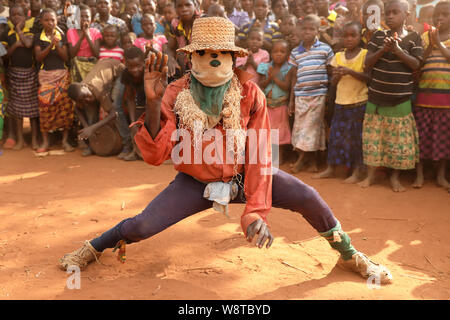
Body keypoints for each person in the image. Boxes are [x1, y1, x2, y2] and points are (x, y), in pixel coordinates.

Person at [58, 17, 392, 286]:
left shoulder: (249, 92)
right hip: (195, 182)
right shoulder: (175, 91)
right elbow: (155, 154)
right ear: (191, 57)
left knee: (308, 196)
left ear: (234, 57)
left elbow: (260, 155)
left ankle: (349, 253)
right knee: (142, 226)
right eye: (204, 52)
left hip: (246, 176)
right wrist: (155, 102)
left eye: (222, 52)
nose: (214, 59)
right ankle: (92, 247)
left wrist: (255, 212)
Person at [360, 0, 422, 192]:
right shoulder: (379, 36)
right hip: (377, 98)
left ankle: (395, 177)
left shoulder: (414, 38)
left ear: (407, 14)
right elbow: (367, 63)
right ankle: (370, 175)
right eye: (388, 13)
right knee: (374, 141)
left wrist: (397, 50)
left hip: (400, 99)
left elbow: (416, 64)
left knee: (397, 142)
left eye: (395, 12)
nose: (390, 16)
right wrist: (383, 50)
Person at [314, 21, 369, 183]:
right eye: (345, 36)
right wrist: (336, 78)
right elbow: (334, 83)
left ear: (361, 37)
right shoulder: (338, 56)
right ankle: (332, 167)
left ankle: (357, 171)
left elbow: (368, 78)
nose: (349, 39)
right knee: (337, 138)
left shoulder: (365, 54)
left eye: (353, 35)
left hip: (359, 102)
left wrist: (350, 72)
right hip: (341, 102)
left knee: (356, 139)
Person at [413, 0, 450, 190]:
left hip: (445, 100)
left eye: (445, 14)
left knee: (442, 139)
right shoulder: (426, 36)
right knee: (422, 138)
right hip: (425, 97)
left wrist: (439, 44)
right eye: (437, 15)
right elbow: (419, 61)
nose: (440, 18)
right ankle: (419, 174)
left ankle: (440, 175)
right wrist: (431, 43)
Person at [289, 15, 333, 173]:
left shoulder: (325, 49)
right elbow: (294, 77)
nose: (307, 31)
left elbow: (330, 73)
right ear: (300, 30)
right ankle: (312, 161)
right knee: (302, 129)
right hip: (301, 95)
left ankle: (301, 161)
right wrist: (291, 101)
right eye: (304, 28)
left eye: (311, 29)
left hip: (318, 94)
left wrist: (329, 96)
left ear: (318, 30)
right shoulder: (295, 52)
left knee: (312, 127)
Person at [34, 8, 74, 153]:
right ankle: (45, 142)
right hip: (46, 77)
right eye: (47, 20)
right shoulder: (38, 37)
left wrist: (57, 44)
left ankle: (64, 141)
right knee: (45, 110)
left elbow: (65, 57)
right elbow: (38, 57)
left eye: (53, 20)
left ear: (57, 21)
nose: (50, 23)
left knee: (65, 109)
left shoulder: (62, 35)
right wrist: (51, 44)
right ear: (41, 22)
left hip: (62, 76)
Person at [67, 57, 125, 156]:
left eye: (86, 96)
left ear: (84, 86)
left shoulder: (98, 89)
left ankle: (127, 145)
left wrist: (92, 128)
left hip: (120, 73)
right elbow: (77, 108)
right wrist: (86, 126)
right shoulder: (81, 93)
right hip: (103, 72)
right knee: (90, 113)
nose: (87, 99)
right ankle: (92, 146)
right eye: (82, 100)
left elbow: (113, 114)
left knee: (116, 105)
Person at [1, 6, 39, 150]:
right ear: (9, 17)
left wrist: (19, 31)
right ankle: (20, 139)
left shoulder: (31, 31)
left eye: (19, 15)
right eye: (13, 15)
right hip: (14, 73)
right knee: (17, 110)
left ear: (25, 17)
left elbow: (29, 44)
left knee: (33, 110)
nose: (16, 17)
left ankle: (35, 139)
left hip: (30, 73)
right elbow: (4, 56)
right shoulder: (6, 34)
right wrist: (16, 45)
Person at [257, 39, 294, 164]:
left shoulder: (289, 69)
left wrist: (274, 77)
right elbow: (261, 84)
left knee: (280, 132)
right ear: (271, 53)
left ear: (287, 54)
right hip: (268, 104)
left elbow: (286, 86)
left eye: (282, 52)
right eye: (275, 51)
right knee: (268, 130)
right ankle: (269, 156)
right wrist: (269, 77)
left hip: (281, 105)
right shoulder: (265, 67)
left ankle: (279, 157)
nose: (278, 54)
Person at [115, 46, 147, 161]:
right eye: (130, 67)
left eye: (138, 66)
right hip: (141, 100)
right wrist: (133, 122)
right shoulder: (126, 74)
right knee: (135, 124)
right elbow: (130, 98)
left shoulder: (149, 72)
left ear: (143, 62)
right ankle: (136, 151)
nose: (134, 70)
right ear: (125, 64)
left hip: (156, 101)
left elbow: (154, 98)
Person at [67, 4, 101, 82]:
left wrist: (87, 35)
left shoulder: (95, 32)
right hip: (77, 67)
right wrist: (82, 37)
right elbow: (72, 54)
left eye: (87, 16)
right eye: (81, 16)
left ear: (91, 18)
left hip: (92, 67)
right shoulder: (71, 31)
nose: (84, 19)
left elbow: (97, 54)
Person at [166, 0, 200, 79]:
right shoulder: (175, 24)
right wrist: (170, 59)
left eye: (188, 5)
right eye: (179, 6)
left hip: (205, 72)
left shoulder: (203, 21)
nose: (184, 9)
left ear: (195, 5)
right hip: (186, 72)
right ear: (175, 8)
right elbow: (170, 47)